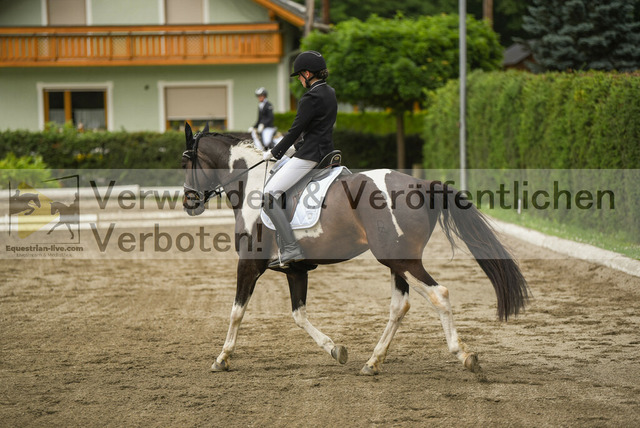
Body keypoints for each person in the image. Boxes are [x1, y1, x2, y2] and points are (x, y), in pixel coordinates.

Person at [262, 50, 338, 268]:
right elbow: (318, 129)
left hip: (310, 156)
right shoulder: (330, 92)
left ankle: (291, 247)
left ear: (307, 73)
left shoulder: (310, 98)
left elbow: (295, 130)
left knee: (268, 196)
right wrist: (294, 149)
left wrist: (274, 153)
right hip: (325, 151)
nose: (299, 81)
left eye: (299, 76)